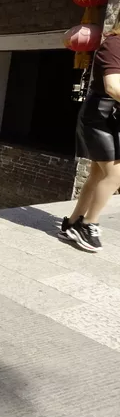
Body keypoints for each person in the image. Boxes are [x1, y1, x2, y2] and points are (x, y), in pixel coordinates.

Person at [59, 20, 120, 252]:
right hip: (99, 117)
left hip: (113, 117)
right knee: (115, 174)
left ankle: (72, 223)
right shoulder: (114, 44)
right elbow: (113, 87)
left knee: (97, 174)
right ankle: (88, 223)